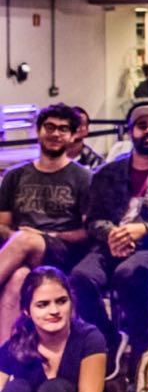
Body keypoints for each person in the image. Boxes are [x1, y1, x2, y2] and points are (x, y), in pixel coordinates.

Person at [70, 104, 148, 378]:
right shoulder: (107, 173)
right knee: (80, 277)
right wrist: (112, 233)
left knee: (130, 273)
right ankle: (108, 338)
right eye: (142, 126)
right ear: (131, 132)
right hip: (109, 244)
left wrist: (143, 230)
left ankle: (140, 346)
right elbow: (93, 219)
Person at [0, 105, 91, 341]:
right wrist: (17, 236)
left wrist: (45, 236)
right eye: (49, 127)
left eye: (63, 129)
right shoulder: (15, 176)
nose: (55, 134)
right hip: (19, 249)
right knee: (17, 278)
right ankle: (6, 357)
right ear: (38, 131)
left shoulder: (83, 178)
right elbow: (3, 225)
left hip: (63, 251)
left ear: (72, 135)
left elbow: (87, 232)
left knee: (26, 240)